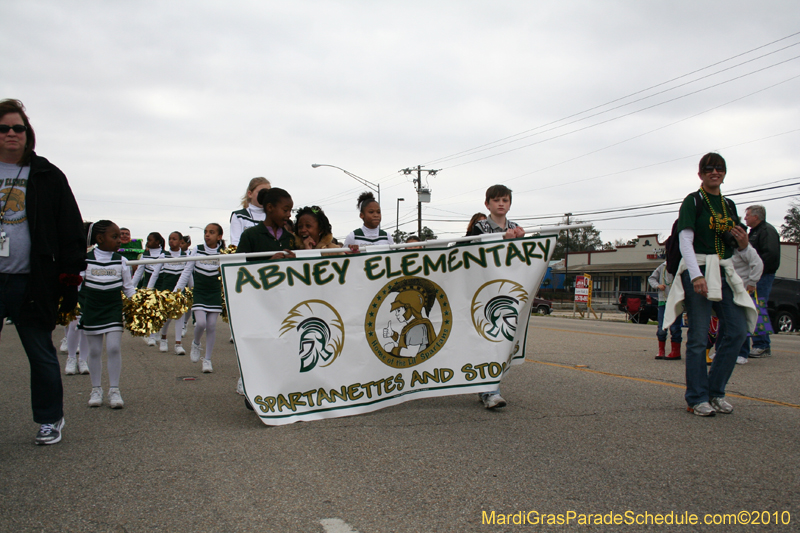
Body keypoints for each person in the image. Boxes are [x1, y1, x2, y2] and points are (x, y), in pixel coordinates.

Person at [0, 99, 86, 444]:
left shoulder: (47, 174)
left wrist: (68, 277)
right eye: (3, 128)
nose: (10, 134)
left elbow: (70, 228)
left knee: (40, 353)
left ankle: (50, 419)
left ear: (27, 133)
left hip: (32, 280)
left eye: (17, 128)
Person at [662, 153, 757, 417]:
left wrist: (742, 244)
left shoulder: (728, 205)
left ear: (724, 173)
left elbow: (735, 243)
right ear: (700, 174)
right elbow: (685, 242)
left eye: (719, 168)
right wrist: (696, 275)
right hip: (699, 271)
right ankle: (696, 397)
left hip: (724, 271)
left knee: (737, 330)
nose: (715, 172)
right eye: (709, 169)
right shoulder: (693, 201)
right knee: (699, 336)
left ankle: (716, 391)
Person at [470, 185, 525, 409]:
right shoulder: (479, 227)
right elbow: (467, 252)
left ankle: (488, 387)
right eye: (496, 200)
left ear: (510, 203)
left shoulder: (516, 228)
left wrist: (520, 241)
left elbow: (523, 261)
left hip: (505, 293)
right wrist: (501, 240)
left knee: (500, 340)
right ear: (487, 204)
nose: (501, 204)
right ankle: (489, 390)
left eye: (505, 200)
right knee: (485, 339)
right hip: (482, 291)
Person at [80, 221, 136, 408]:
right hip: (92, 309)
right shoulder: (85, 259)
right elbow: (79, 287)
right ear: (99, 239)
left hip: (113, 308)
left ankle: (114, 389)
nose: (119, 240)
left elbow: (128, 288)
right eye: (115, 237)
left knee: (113, 348)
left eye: (120, 236)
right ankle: (96, 389)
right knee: (94, 350)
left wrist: (140, 305)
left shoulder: (121, 260)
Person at [175, 223, 225, 373]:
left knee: (211, 326)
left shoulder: (223, 253)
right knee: (201, 323)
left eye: (211, 232)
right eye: (206, 232)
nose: (207, 235)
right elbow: (187, 271)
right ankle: (196, 343)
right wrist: (176, 291)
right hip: (200, 291)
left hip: (215, 292)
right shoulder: (197, 249)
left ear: (219, 236)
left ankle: (207, 360)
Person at [745, 204, 780, 357]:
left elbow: (771, 255)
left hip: (762, 276)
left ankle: (762, 345)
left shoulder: (766, 231)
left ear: (756, 217)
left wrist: (756, 271)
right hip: (754, 276)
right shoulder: (754, 232)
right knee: (752, 307)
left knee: (758, 307)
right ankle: (759, 343)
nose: (745, 217)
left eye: (747, 215)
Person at [147, 231, 188, 355]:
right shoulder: (163, 255)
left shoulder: (186, 256)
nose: (171, 241)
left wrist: (192, 289)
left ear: (181, 242)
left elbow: (189, 273)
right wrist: (149, 290)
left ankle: (178, 343)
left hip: (180, 290)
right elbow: (155, 274)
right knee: (166, 317)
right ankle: (163, 338)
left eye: (174, 239)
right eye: (170, 239)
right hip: (166, 289)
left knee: (179, 315)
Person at [237, 188, 296, 256]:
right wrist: (269, 263)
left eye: (290, 211)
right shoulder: (250, 236)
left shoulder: (290, 238)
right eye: (285, 210)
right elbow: (238, 264)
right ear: (270, 207)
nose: (289, 215)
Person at [648, 262, 682, 360]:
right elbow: (651, 278)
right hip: (663, 301)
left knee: (675, 327)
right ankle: (661, 350)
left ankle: (676, 351)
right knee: (662, 328)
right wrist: (657, 286)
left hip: (676, 301)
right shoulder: (662, 266)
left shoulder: (680, 265)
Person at [230, 177, 271, 247]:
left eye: (267, 192)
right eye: (261, 192)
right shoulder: (239, 216)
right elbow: (236, 243)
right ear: (250, 194)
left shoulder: (272, 215)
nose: (264, 195)